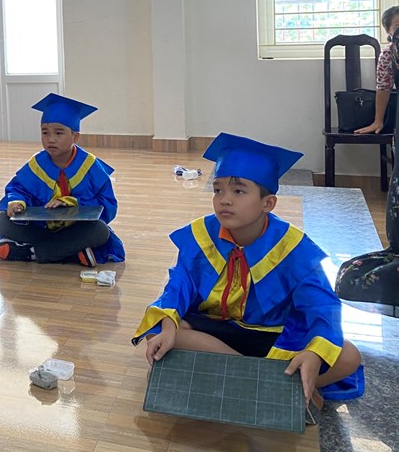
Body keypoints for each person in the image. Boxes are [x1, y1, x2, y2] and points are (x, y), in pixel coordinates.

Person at [132, 133, 364, 408]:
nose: (224, 200)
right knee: (162, 330)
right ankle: (264, 384)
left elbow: (323, 306)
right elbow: (178, 284)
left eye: (238, 191)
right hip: (218, 330)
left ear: (268, 203)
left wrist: (314, 354)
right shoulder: (201, 235)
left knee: (347, 355)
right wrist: (169, 326)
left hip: (275, 334)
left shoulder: (292, 247)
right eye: (218, 190)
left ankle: (241, 381)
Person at [0, 93, 125, 265]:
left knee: (100, 231)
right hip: (41, 228)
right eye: (45, 132)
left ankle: (30, 252)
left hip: (74, 230)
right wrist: (17, 202)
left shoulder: (91, 167)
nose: (51, 139)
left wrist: (73, 204)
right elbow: (17, 189)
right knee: (3, 220)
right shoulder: (37, 164)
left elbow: (108, 206)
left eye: (59, 133)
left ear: (75, 137)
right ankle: (69, 252)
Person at [354, 4, 399, 133]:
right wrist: (378, 121)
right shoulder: (388, 54)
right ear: (389, 31)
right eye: (397, 27)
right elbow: (383, 87)